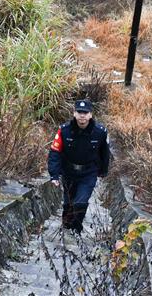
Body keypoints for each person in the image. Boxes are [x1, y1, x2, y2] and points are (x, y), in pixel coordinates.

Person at [47, 99, 111, 235]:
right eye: (79, 112)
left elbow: (105, 153)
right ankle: (66, 227)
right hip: (69, 172)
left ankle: (77, 229)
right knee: (68, 203)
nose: (82, 115)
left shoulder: (100, 132)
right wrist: (54, 174)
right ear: (74, 113)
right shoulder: (64, 130)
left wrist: (103, 171)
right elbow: (55, 152)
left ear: (90, 115)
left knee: (80, 202)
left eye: (85, 113)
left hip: (88, 173)